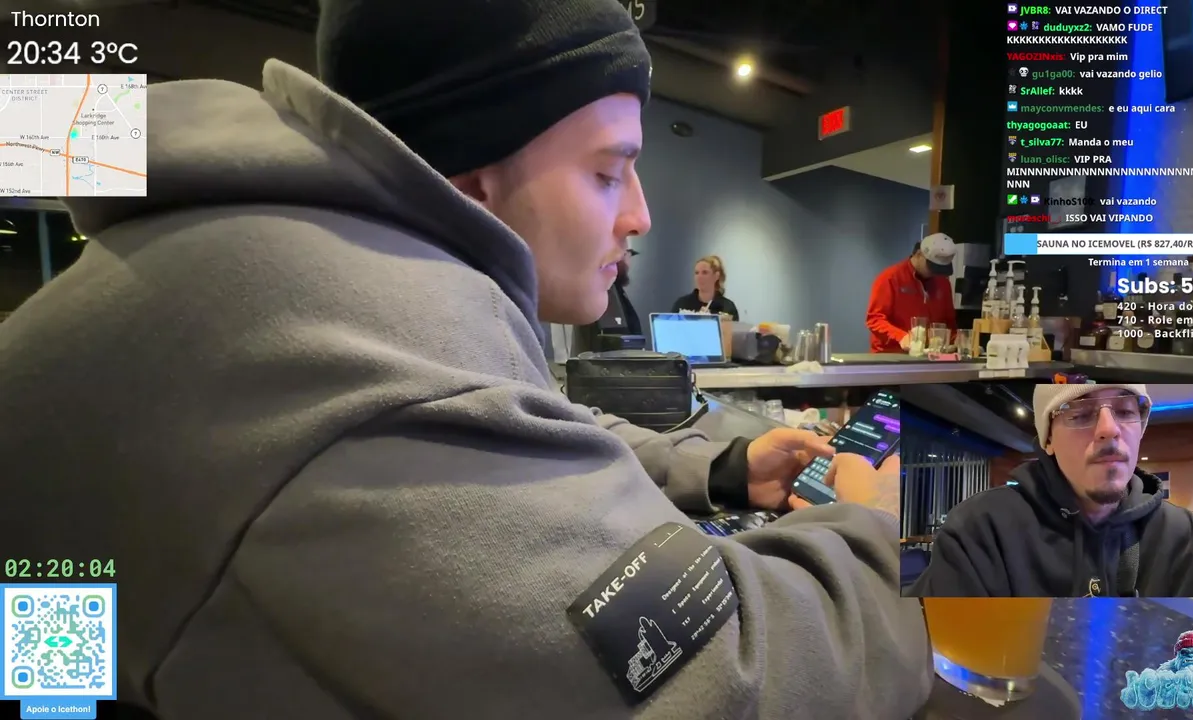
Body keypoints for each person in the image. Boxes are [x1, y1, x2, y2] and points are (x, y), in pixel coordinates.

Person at [0, 1, 933, 718]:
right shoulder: (359, 342)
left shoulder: (299, 264)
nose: (640, 215)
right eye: (608, 171)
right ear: (473, 180)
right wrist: (866, 527)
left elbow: (508, 415)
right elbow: (739, 682)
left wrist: (723, 468)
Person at [907, 384, 1193, 598]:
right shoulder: (980, 531)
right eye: (1080, 414)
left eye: (1125, 411)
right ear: (1047, 440)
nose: (1109, 429)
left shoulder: (1192, 539)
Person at [865, 233, 958, 353]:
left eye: (940, 269)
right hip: (890, 355)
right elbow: (874, 319)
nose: (935, 273)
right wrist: (901, 337)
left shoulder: (943, 283)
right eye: (932, 267)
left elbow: (949, 323)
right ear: (919, 255)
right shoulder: (890, 278)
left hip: (928, 356)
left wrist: (957, 339)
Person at [670, 255, 740, 320]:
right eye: (697, 273)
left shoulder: (727, 307)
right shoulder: (682, 304)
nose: (699, 277)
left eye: (705, 272)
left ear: (716, 276)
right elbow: (670, 327)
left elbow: (732, 329)